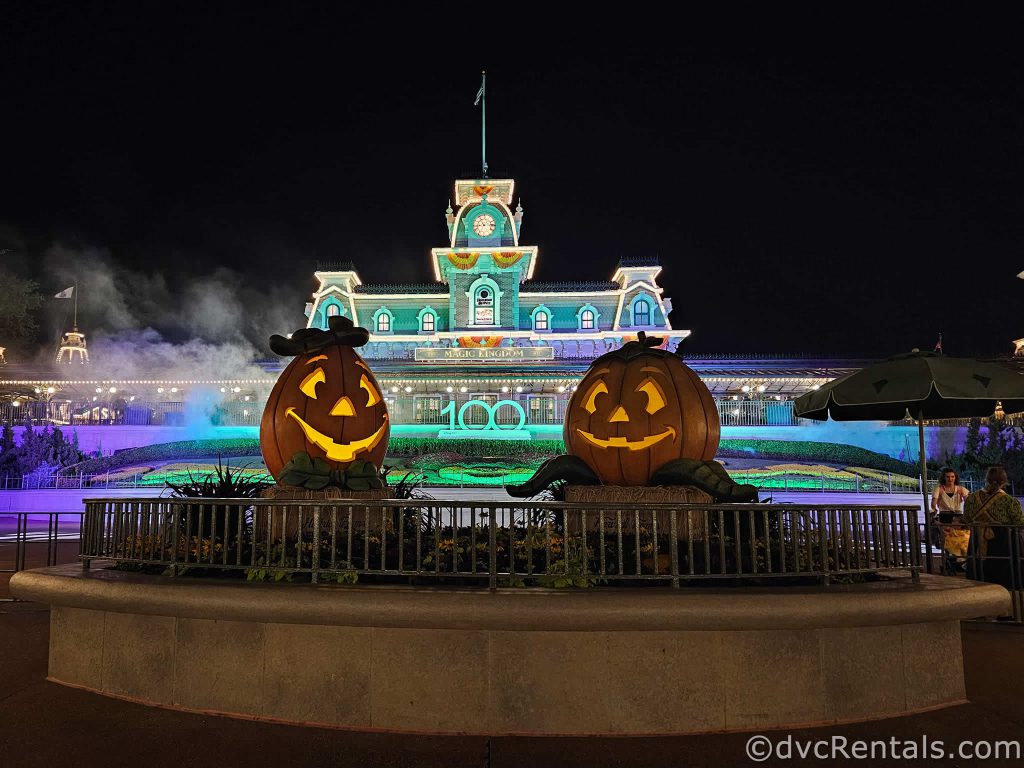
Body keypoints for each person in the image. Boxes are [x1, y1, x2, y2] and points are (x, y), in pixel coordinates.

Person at [963, 465, 1024, 592]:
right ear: (1004, 481)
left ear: (987, 479)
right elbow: (1019, 522)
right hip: (1002, 542)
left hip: (977, 542)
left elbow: (967, 518)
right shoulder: (1009, 501)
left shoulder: (972, 498)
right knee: (1004, 576)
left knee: (979, 575)